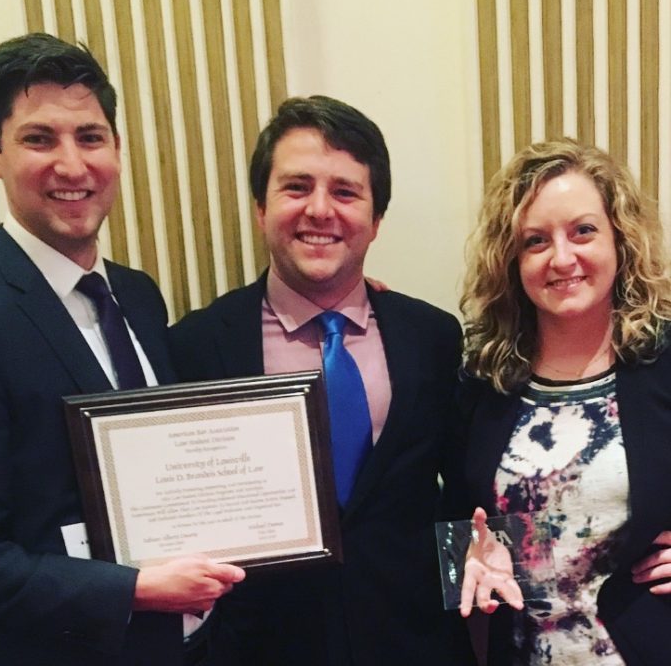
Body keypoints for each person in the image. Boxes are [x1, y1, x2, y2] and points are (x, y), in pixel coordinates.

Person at [169, 95, 474, 665]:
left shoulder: (431, 336)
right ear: (260, 207)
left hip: (416, 645)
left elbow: (458, 494)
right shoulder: (195, 346)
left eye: (345, 191)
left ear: (376, 219)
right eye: (296, 187)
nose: (319, 209)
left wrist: (465, 609)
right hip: (261, 649)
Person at [0, 32, 244, 666]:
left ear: (117, 149)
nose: (72, 166)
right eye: (39, 139)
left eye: (90, 137)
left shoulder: (138, 296)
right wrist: (134, 591)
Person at [456, 138, 671, 665]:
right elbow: (450, 511)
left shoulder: (665, 362)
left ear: (620, 241)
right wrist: (462, 559)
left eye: (583, 231)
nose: (562, 258)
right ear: (512, 260)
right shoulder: (482, 379)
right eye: (535, 241)